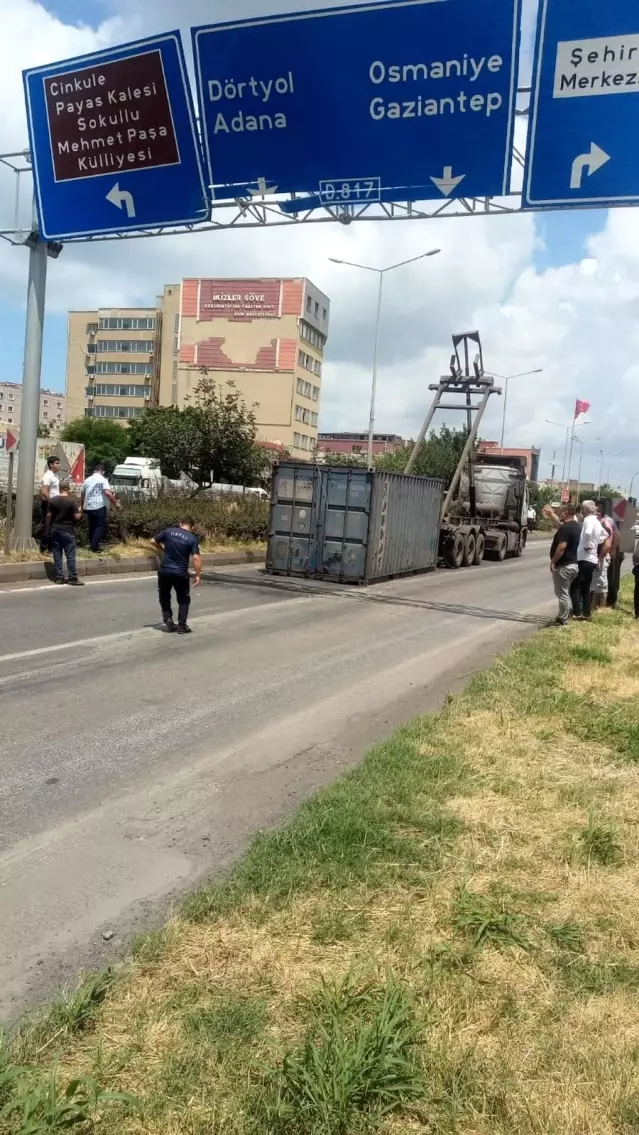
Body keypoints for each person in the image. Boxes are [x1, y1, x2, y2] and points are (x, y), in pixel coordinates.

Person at [151, 518, 202, 635]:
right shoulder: (192, 539)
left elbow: (152, 541)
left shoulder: (168, 531)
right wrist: (198, 575)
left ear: (180, 524)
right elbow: (196, 558)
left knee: (164, 595)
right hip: (180, 573)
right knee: (183, 599)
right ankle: (182, 627)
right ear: (192, 527)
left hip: (165, 571)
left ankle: (168, 618)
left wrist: (162, 549)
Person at [573, 500, 607, 621]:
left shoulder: (588, 520)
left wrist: (588, 544)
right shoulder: (597, 521)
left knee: (578, 585)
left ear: (585, 510)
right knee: (586, 586)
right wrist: (595, 543)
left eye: (582, 508)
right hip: (591, 558)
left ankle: (579, 611)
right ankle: (586, 612)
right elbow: (605, 535)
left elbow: (587, 532)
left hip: (585, 557)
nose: (581, 511)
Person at [46, 481, 84, 586]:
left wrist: (47, 529)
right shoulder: (72, 501)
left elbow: (48, 516)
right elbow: (77, 517)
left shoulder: (52, 500)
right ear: (68, 488)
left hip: (55, 529)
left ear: (59, 488)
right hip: (67, 530)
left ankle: (59, 577)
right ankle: (72, 578)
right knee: (70, 555)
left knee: (57, 555)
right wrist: (80, 511)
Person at [549, 503, 580, 625]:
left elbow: (562, 547)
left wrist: (553, 561)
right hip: (573, 564)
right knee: (565, 592)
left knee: (562, 594)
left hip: (564, 566)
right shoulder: (575, 526)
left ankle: (563, 619)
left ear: (566, 513)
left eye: (561, 511)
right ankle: (562, 616)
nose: (559, 513)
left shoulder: (566, 528)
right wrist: (552, 515)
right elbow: (560, 525)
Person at [81, 464, 121, 553]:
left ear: (95, 470)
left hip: (88, 506)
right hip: (99, 506)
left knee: (92, 526)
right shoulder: (103, 480)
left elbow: (82, 495)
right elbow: (107, 493)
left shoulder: (87, 480)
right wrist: (115, 504)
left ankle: (92, 544)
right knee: (99, 527)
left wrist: (82, 507)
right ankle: (94, 547)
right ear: (103, 472)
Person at [597, 501, 623, 608]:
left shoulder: (608, 521)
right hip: (596, 554)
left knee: (605, 578)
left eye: (599, 509)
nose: (597, 511)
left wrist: (613, 550)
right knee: (597, 580)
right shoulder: (595, 520)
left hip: (605, 553)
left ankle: (607, 602)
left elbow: (617, 535)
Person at [39, 455, 61, 553]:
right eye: (57, 463)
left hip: (54, 504)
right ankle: (44, 547)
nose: (59, 465)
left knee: (52, 526)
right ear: (51, 464)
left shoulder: (53, 475)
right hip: (49, 504)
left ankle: (51, 548)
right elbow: (44, 491)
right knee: (48, 525)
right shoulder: (48, 475)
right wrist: (52, 502)